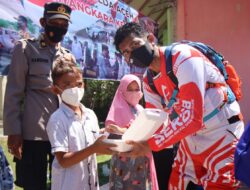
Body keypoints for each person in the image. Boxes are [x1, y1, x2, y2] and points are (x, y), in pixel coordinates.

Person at [113, 22, 244, 190]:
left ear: (150, 39)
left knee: (222, 185)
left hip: (221, 131)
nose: (132, 53)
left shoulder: (184, 57)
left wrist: (149, 145)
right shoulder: (148, 80)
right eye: (126, 52)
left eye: (135, 45)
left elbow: (191, 118)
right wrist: (127, 135)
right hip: (190, 137)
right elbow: (155, 121)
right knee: (177, 182)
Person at [3, 2, 74, 190]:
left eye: (64, 25)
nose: (60, 28)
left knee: (63, 183)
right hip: (33, 133)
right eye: (55, 22)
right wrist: (13, 131)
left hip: (62, 132)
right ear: (43, 22)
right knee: (34, 184)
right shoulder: (26, 48)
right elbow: (13, 92)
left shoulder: (68, 57)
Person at [46, 57, 116, 190]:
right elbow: (64, 161)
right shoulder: (57, 120)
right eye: (67, 85)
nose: (74, 89)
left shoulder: (90, 115)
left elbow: (95, 150)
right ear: (55, 90)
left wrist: (110, 143)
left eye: (78, 84)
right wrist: (94, 148)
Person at [105, 74, 158, 190]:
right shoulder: (117, 109)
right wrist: (121, 130)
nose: (134, 93)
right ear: (122, 90)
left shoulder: (141, 109)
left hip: (141, 159)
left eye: (137, 89)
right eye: (130, 89)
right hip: (124, 163)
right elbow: (112, 134)